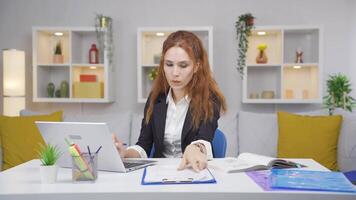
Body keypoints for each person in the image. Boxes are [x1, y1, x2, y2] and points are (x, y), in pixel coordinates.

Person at [113, 30, 226, 172]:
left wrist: (194, 148)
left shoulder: (210, 98)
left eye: (183, 65)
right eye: (169, 64)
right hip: (160, 173)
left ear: (196, 66)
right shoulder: (156, 98)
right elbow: (144, 145)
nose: (175, 73)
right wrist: (124, 153)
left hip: (193, 171)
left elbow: (204, 138)